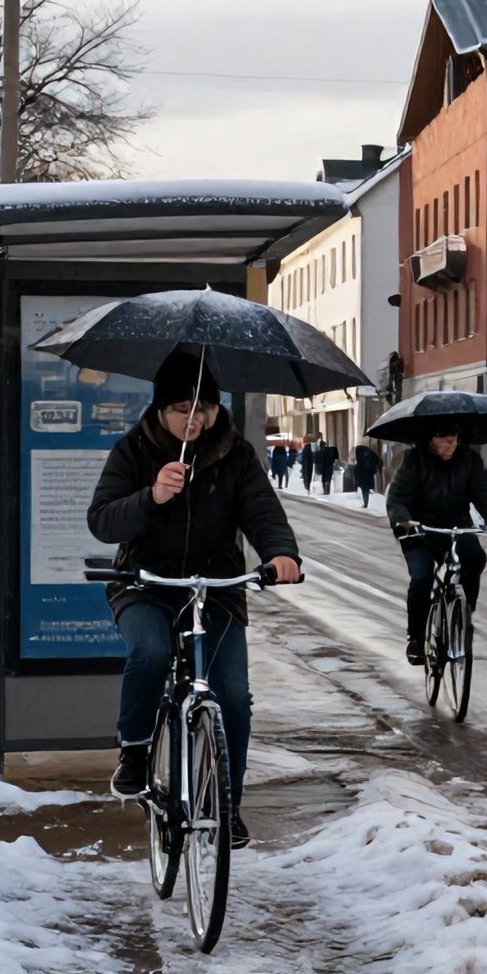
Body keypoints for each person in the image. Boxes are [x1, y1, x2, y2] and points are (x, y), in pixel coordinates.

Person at [88, 352, 301, 850]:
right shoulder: (134, 450)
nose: (196, 418)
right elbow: (101, 520)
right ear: (162, 409)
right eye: (183, 407)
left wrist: (281, 553)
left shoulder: (235, 453)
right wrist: (152, 496)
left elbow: (262, 511)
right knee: (152, 651)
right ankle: (136, 751)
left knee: (233, 695)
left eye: (204, 406)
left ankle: (227, 804)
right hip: (145, 584)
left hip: (216, 589)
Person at [385, 423, 487, 664]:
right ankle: (417, 638)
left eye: (455, 440)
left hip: (455, 526)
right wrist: (403, 520)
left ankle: (464, 612)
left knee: (475, 557)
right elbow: (397, 498)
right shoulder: (414, 461)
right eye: (447, 441)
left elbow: (483, 490)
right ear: (432, 439)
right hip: (419, 529)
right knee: (421, 577)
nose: (452, 446)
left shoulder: (469, 460)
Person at [351, 443, 381, 508]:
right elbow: (377, 460)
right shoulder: (370, 453)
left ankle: (365, 503)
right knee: (365, 489)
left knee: (364, 490)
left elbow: (359, 463)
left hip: (363, 475)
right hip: (368, 474)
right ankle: (366, 503)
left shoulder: (360, 453)